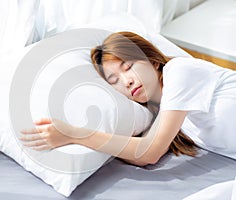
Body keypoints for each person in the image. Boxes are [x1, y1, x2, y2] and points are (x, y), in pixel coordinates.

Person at [20, 31, 236, 166]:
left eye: (128, 67)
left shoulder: (179, 71)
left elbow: (149, 153)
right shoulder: (166, 113)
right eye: (114, 80)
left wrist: (75, 134)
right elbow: (139, 155)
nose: (127, 82)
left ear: (152, 61)